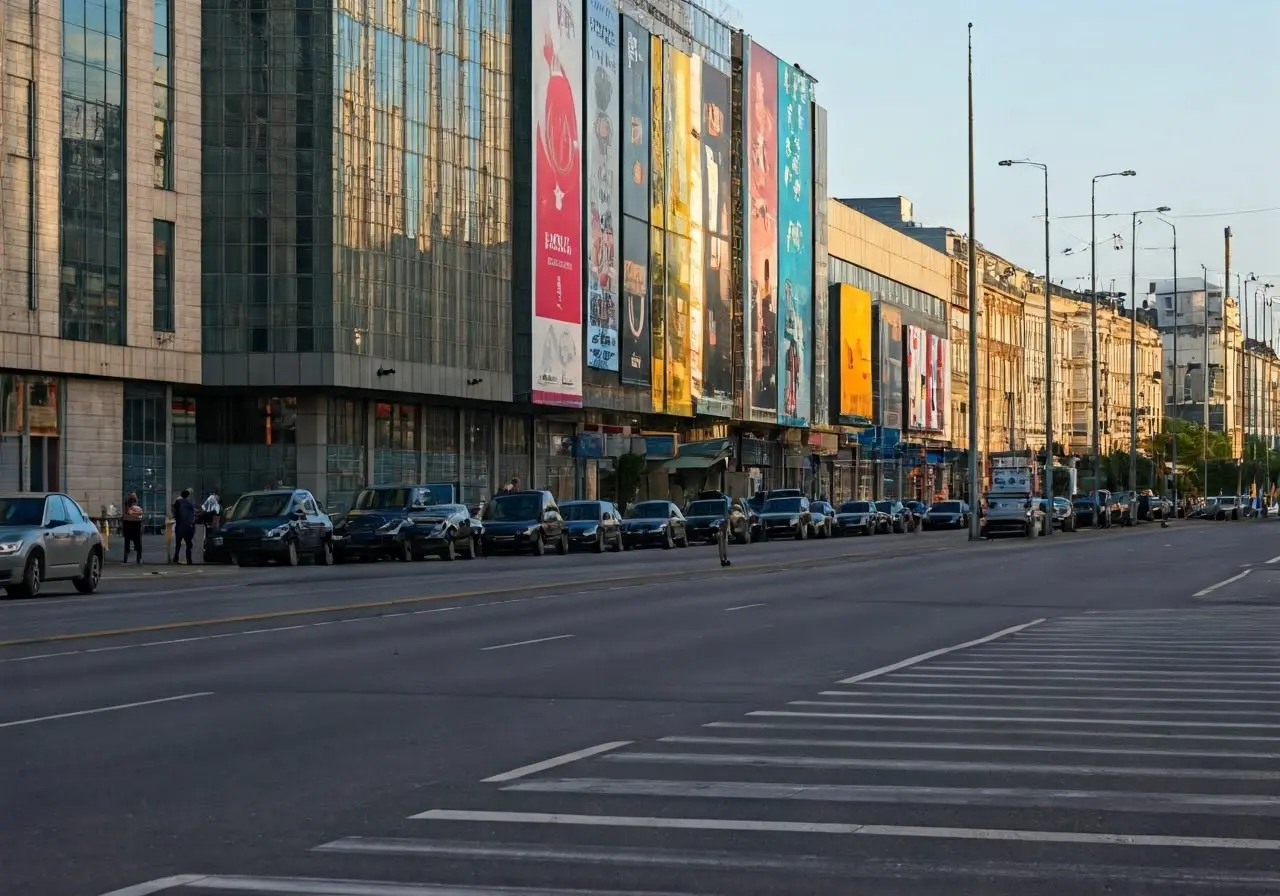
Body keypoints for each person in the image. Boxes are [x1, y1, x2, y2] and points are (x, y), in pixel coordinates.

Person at [172, 489, 197, 565]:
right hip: (188, 527)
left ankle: (176, 556)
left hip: (180, 526)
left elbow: (174, 512)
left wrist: (176, 518)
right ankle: (189, 560)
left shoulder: (178, 502)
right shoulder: (190, 504)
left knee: (178, 543)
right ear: (188, 496)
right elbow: (193, 516)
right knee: (189, 544)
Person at [121, 492, 144, 564]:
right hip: (136, 531)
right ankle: (139, 558)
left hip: (127, 531)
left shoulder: (126, 510)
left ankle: (126, 558)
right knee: (138, 545)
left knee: (127, 542)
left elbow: (124, 518)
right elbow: (141, 517)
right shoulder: (138, 509)